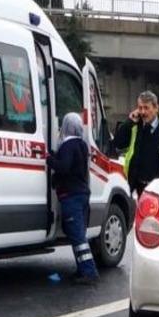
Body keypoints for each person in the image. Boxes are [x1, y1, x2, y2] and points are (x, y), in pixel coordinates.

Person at [47, 113, 100, 285]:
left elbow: (63, 167)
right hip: (83, 193)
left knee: (77, 236)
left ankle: (89, 272)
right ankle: (82, 269)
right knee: (78, 234)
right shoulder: (82, 145)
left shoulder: (67, 146)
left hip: (71, 196)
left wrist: (49, 159)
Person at [113, 90, 159, 196]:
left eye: (146, 108)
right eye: (140, 108)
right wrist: (129, 122)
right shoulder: (134, 126)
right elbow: (118, 143)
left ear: (156, 108)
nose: (142, 112)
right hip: (140, 186)